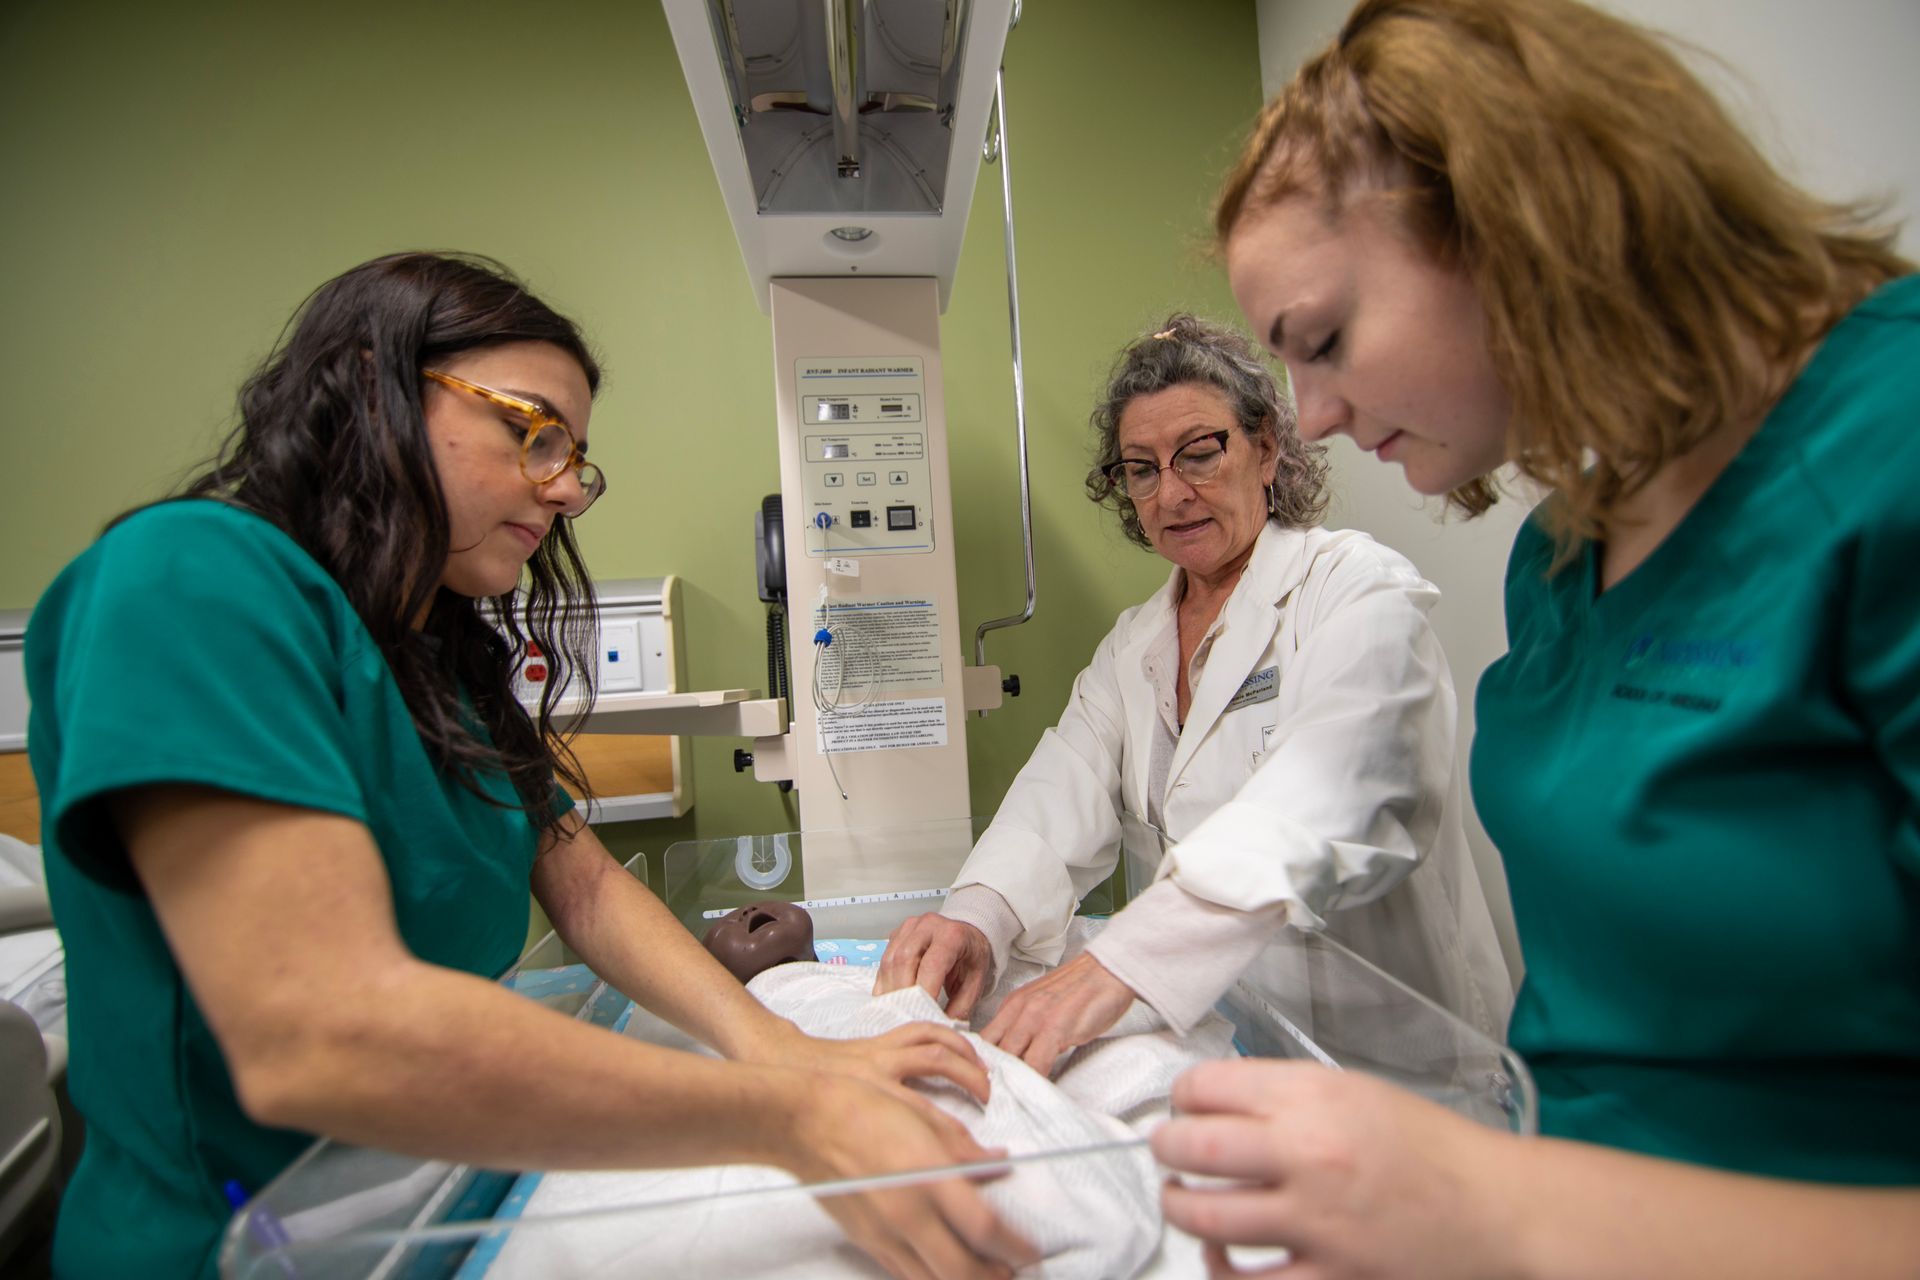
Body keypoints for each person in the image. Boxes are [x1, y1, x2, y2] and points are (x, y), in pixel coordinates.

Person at [26, 252, 1035, 1280]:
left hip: (419, 1205)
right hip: (234, 1244)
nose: (563, 488)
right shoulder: (192, 579)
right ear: (374, 383)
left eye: (576, 456)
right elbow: (322, 1031)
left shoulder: (432, 657)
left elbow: (584, 881)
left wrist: (780, 1045)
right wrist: (793, 1112)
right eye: (532, 430)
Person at [1153, 0, 1920, 1274]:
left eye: (1326, 341)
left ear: (1517, 221)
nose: (1322, 417)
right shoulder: (1565, 552)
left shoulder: (1886, 447)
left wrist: (1487, 1201)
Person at [875, 313, 1511, 1074]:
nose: (1171, 493)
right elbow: (1061, 789)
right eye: (1141, 468)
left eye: (1199, 454)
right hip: (1227, 1047)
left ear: (1267, 448)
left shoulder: (1354, 592)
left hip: (1395, 1065)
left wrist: (1126, 961)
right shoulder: (1135, 644)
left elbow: (1336, 790)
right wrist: (975, 918)